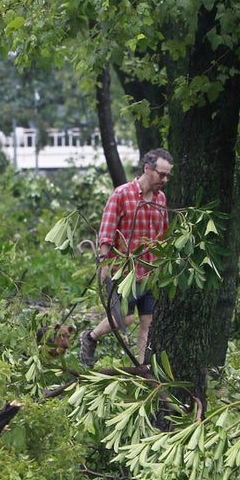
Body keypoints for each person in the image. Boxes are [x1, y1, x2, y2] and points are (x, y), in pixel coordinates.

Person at [79, 148, 173, 367]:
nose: (165, 179)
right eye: (162, 174)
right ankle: (90, 337)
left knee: (147, 321)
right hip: (126, 271)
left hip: (151, 271)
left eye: (168, 175)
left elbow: (164, 233)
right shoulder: (122, 194)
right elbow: (107, 230)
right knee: (126, 318)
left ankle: (142, 367)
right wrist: (104, 265)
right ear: (147, 169)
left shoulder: (161, 199)